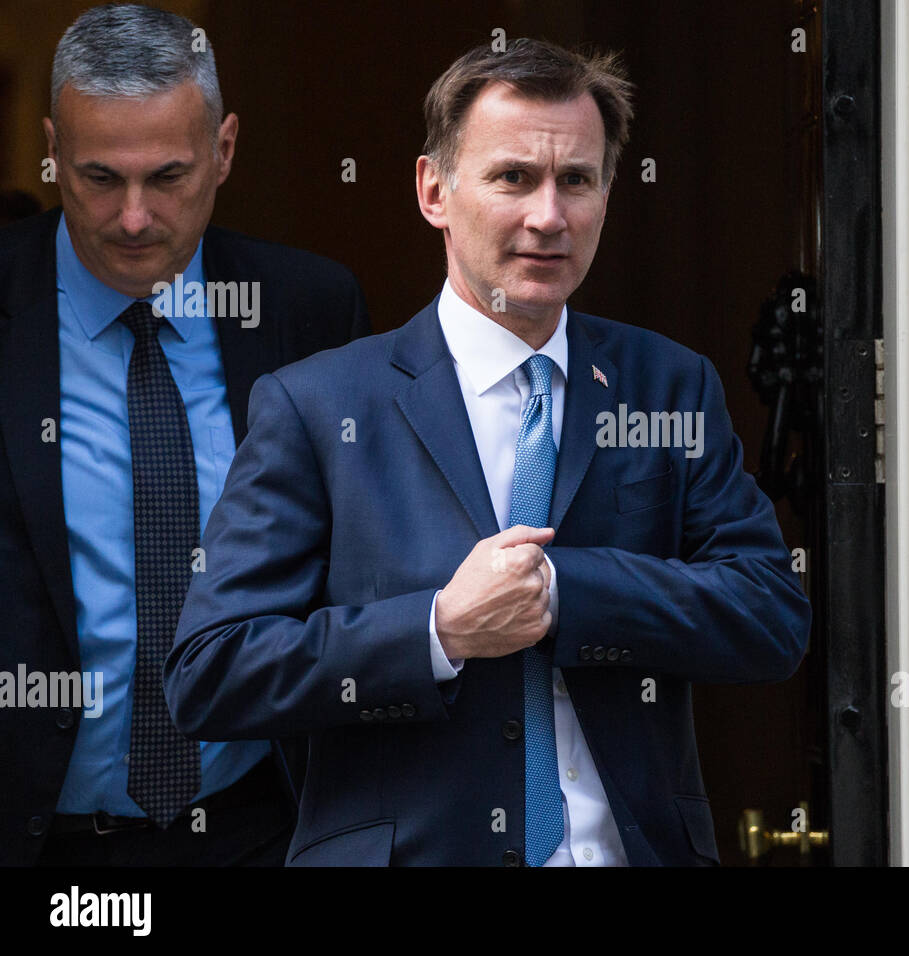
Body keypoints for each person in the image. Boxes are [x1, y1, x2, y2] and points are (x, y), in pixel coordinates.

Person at [164, 37, 809, 867]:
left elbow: (769, 614)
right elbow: (211, 673)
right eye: (513, 177)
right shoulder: (319, 405)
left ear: (609, 194)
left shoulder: (666, 384)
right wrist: (438, 629)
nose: (549, 216)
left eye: (576, 180)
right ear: (434, 189)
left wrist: (565, 588)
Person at [0, 3, 369, 866]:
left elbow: (358, 572)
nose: (133, 219)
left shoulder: (309, 309)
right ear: (50, 152)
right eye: (98, 178)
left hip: (259, 825)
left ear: (225, 150)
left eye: (167, 177)